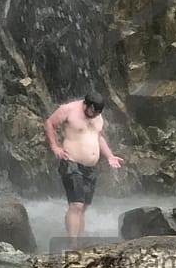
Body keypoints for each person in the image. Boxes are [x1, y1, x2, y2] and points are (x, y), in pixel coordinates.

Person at [44, 92, 122, 242]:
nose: (94, 115)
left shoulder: (97, 115)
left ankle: (80, 242)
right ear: (86, 105)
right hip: (71, 163)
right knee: (76, 205)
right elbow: (49, 123)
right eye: (93, 111)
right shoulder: (68, 110)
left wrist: (110, 156)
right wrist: (55, 147)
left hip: (90, 168)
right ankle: (73, 244)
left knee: (84, 207)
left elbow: (98, 137)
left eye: (98, 112)